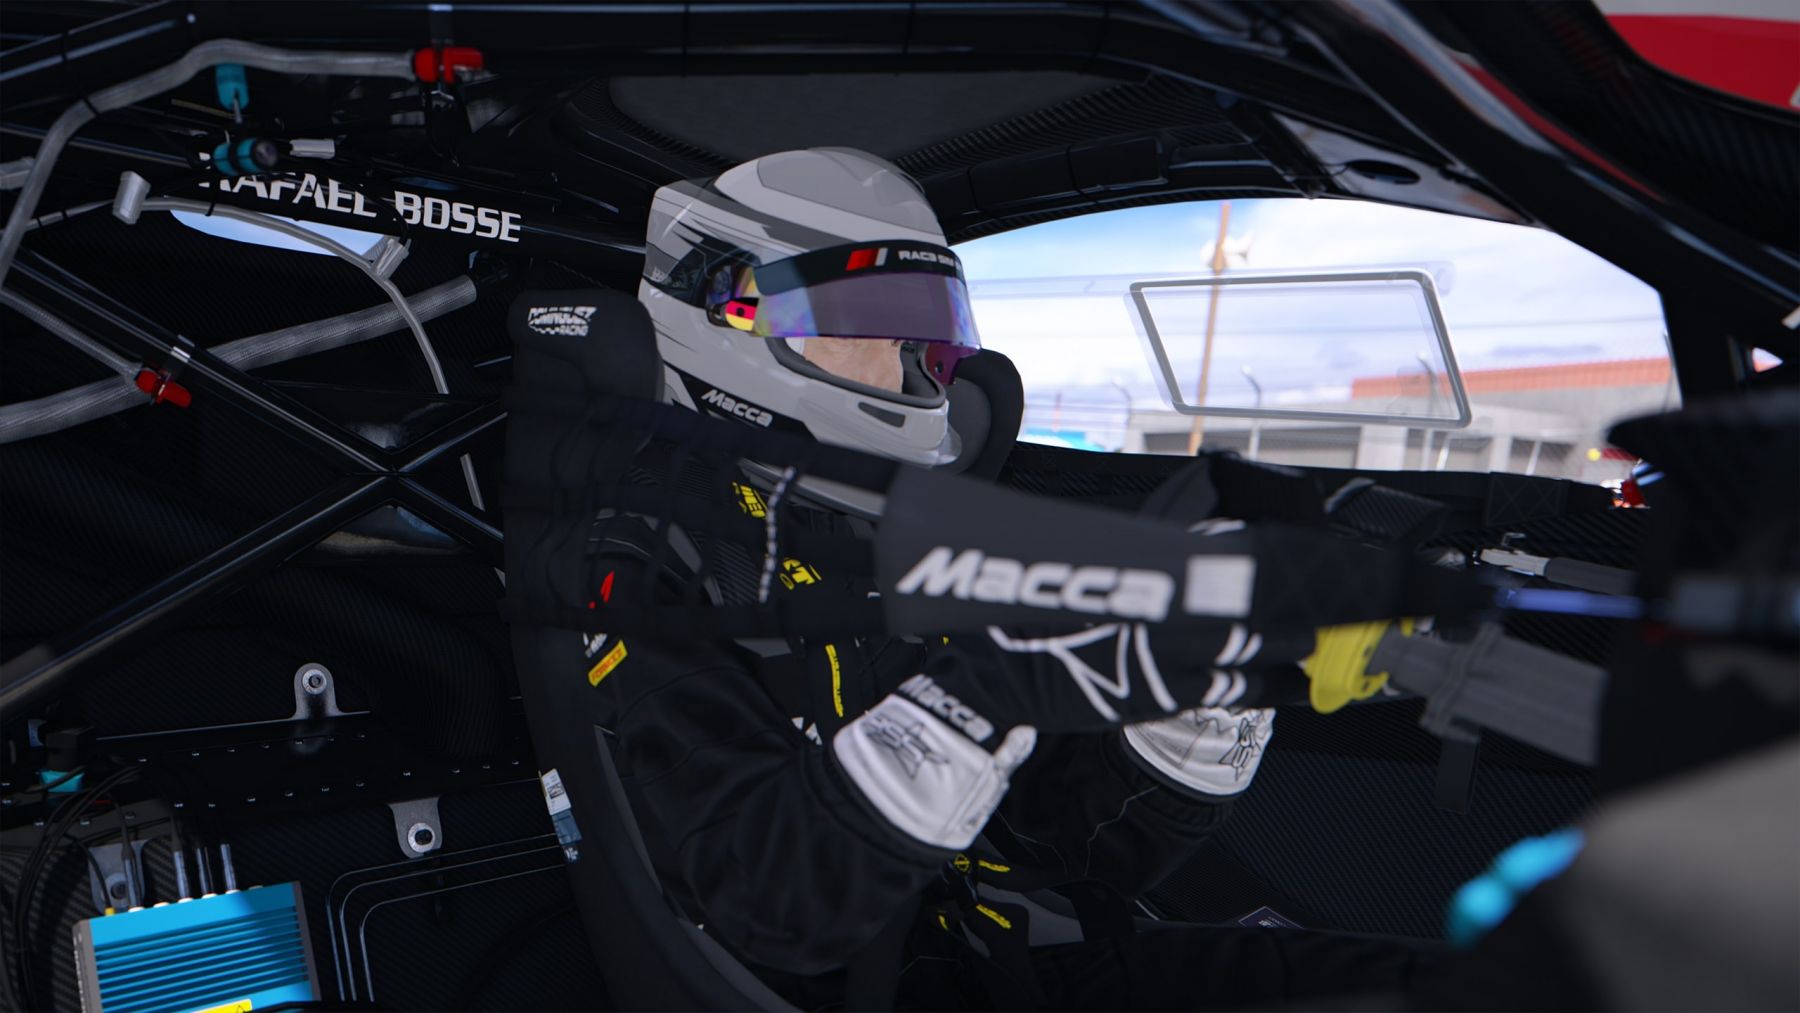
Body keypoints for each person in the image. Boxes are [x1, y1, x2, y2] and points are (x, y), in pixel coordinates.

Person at [509, 147, 1399, 1007]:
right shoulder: (636, 558)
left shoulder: (871, 526)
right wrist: (984, 695)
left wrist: (1201, 698)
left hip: (986, 957)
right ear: (730, 312)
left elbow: (1052, 844)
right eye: (863, 316)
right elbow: (773, 897)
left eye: (924, 324)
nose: (907, 357)